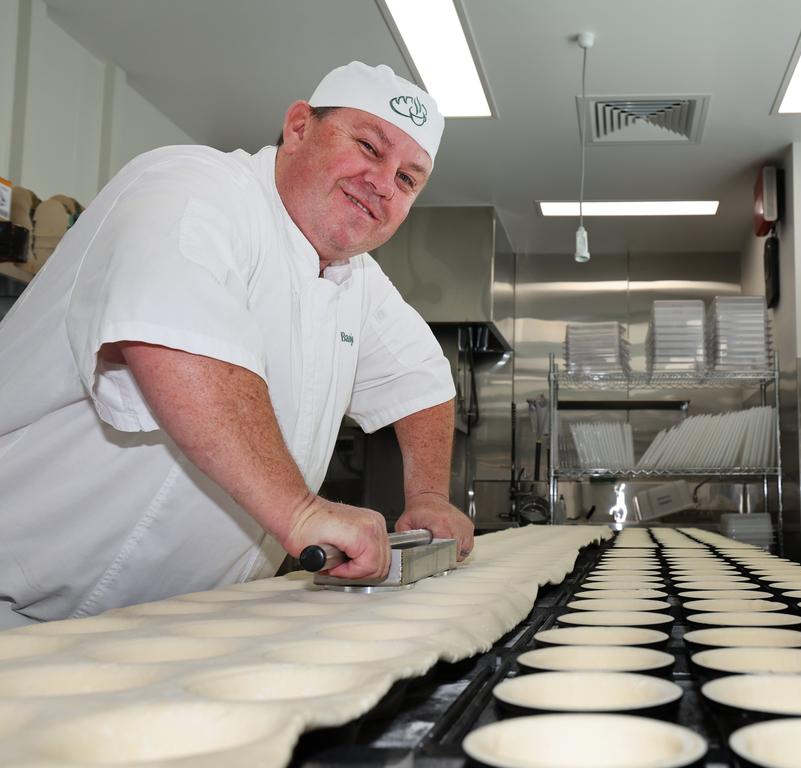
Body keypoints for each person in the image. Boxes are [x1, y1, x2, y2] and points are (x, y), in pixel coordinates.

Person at [0, 62, 474, 629]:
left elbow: (421, 378)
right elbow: (175, 339)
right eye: (370, 146)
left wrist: (427, 495)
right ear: (299, 127)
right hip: (18, 612)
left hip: (173, 626)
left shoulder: (357, 280)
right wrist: (300, 513)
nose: (382, 182)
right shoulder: (191, 185)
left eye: (407, 179)